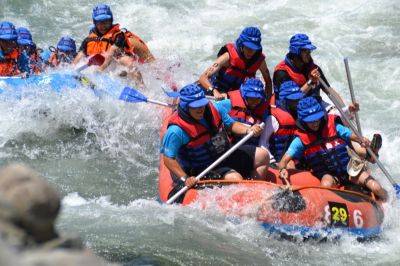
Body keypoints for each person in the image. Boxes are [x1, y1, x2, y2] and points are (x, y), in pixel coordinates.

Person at [161, 83, 269, 190]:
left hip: (224, 154)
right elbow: (168, 158)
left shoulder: (216, 109)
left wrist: (248, 129)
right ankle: (242, 196)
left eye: (202, 104)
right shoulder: (176, 130)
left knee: (263, 155)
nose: (200, 109)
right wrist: (185, 178)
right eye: (195, 106)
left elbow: (232, 125)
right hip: (201, 167)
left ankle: (256, 190)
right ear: (185, 106)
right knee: (235, 178)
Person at [277, 97, 387, 200]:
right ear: (303, 120)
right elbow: (283, 161)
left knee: (376, 188)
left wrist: (361, 139)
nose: (315, 123)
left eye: (317, 119)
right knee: (326, 185)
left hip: (350, 171)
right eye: (311, 120)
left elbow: (350, 135)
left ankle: (388, 200)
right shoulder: (300, 140)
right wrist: (282, 170)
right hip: (330, 175)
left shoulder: (333, 126)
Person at [73, 4, 152, 84]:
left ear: (111, 21)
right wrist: (71, 70)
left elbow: (110, 54)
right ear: (95, 23)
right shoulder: (88, 40)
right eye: (100, 23)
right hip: (99, 66)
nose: (103, 26)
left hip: (117, 66)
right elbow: (79, 57)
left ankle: (142, 87)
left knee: (126, 60)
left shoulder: (119, 36)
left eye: (106, 22)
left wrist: (98, 72)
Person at [273, 33, 350, 110]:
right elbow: (292, 102)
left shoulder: (314, 69)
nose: (309, 54)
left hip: (312, 105)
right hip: (293, 110)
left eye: (309, 51)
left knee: (340, 118)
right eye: (305, 51)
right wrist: (311, 82)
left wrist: (345, 110)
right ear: (296, 52)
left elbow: (329, 91)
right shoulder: (282, 73)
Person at [199, 26, 273, 101]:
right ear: (241, 45)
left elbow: (268, 81)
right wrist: (214, 91)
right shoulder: (227, 57)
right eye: (248, 47)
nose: (250, 52)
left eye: (253, 49)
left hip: (235, 95)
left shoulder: (259, 60)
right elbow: (203, 77)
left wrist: (267, 101)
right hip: (215, 91)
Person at [259, 81, 304, 167]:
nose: (296, 103)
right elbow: (262, 143)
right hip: (275, 160)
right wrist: (272, 162)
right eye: (292, 100)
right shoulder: (272, 119)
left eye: (298, 99)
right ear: (284, 100)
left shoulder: (302, 116)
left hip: (292, 158)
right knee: (290, 164)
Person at [216, 78, 270, 145]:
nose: (255, 102)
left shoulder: (264, 110)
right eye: (252, 98)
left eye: (258, 99)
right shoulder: (228, 104)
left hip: (251, 146)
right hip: (231, 144)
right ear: (244, 96)